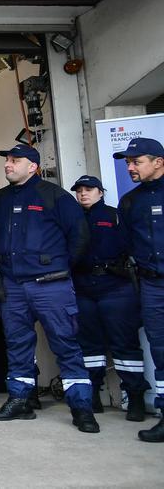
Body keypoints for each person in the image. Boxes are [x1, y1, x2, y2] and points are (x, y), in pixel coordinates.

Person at [0, 144, 97, 433]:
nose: (8, 165)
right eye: (7, 160)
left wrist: (58, 269)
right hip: (13, 288)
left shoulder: (55, 196)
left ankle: (82, 408)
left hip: (51, 286)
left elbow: (80, 237)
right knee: (18, 346)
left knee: (66, 345)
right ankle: (20, 400)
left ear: (32, 166)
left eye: (15, 160)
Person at [70, 174, 148, 420]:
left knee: (124, 344)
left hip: (115, 286)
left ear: (100, 193)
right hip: (82, 287)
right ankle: (92, 395)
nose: (83, 194)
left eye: (89, 189)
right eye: (79, 190)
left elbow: (133, 246)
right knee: (88, 346)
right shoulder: (71, 219)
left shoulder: (115, 215)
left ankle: (134, 397)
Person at [113, 137, 164, 442]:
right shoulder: (130, 202)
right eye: (128, 163)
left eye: (137, 162)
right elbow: (127, 244)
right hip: (152, 284)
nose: (131, 167)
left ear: (158, 161)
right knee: (160, 352)